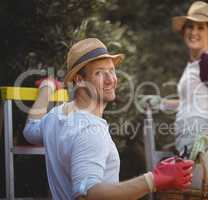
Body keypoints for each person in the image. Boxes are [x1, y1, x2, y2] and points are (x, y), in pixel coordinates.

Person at [23, 38, 194, 200]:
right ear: (80, 80)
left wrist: (47, 87)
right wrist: (154, 179)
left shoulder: (55, 116)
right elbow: (89, 194)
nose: (111, 79)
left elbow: (30, 130)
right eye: (99, 73)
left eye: (112, 70)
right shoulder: (90, 130)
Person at [141, 1, 208, 193]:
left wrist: (205, 138)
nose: (194, 32)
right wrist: (161, 104)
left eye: (200, 27)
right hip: (191, 147)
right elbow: (190, 104)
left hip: (207, 151)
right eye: (190, 26)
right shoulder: (196, 63)